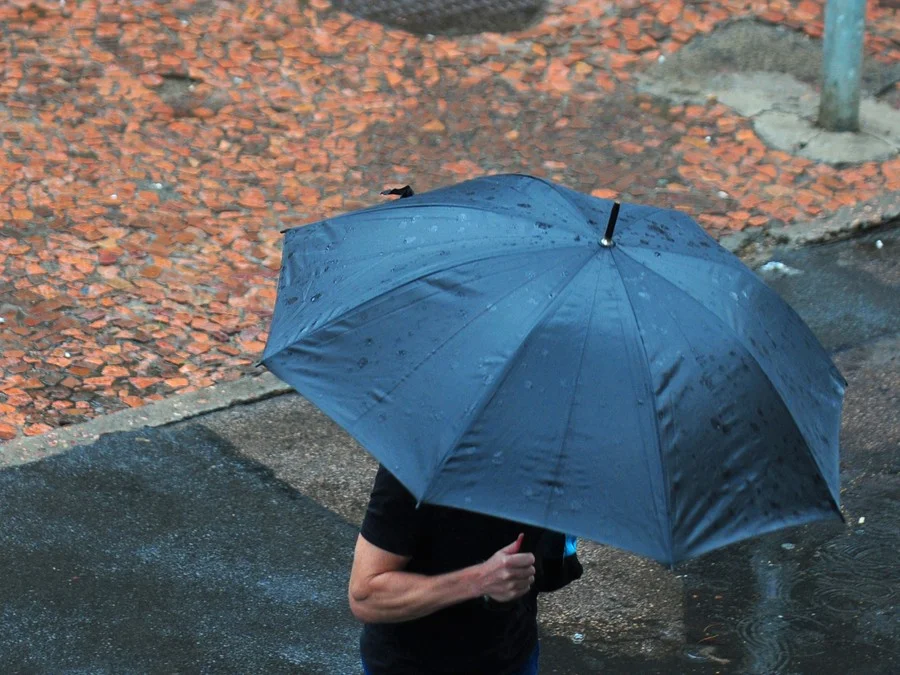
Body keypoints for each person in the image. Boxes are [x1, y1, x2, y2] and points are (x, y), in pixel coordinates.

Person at [349, 464, 582, 675]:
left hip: (513, 653)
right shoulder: (423, 460)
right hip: (415, 663)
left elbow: (550, 566)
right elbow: (366, 596)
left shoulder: (553, 457)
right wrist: (479, 580)